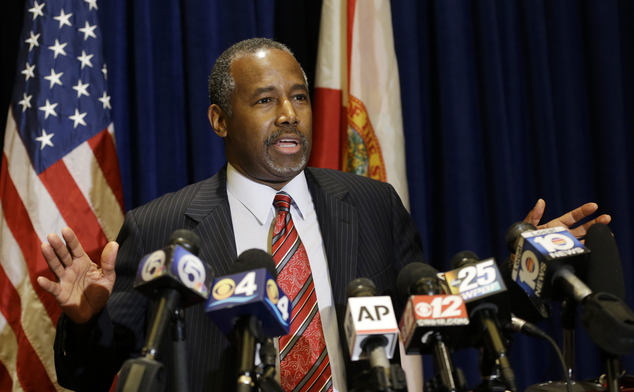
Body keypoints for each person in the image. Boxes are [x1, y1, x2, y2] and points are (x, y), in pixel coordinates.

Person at [37, 38, 611, 392]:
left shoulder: (369, 203)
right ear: (219, 120)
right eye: (265, 100)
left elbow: (435, 317)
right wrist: (87, 322)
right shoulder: (162, 226)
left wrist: (526, 270)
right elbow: (86, 375)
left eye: (300, 97)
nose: (289, 115)